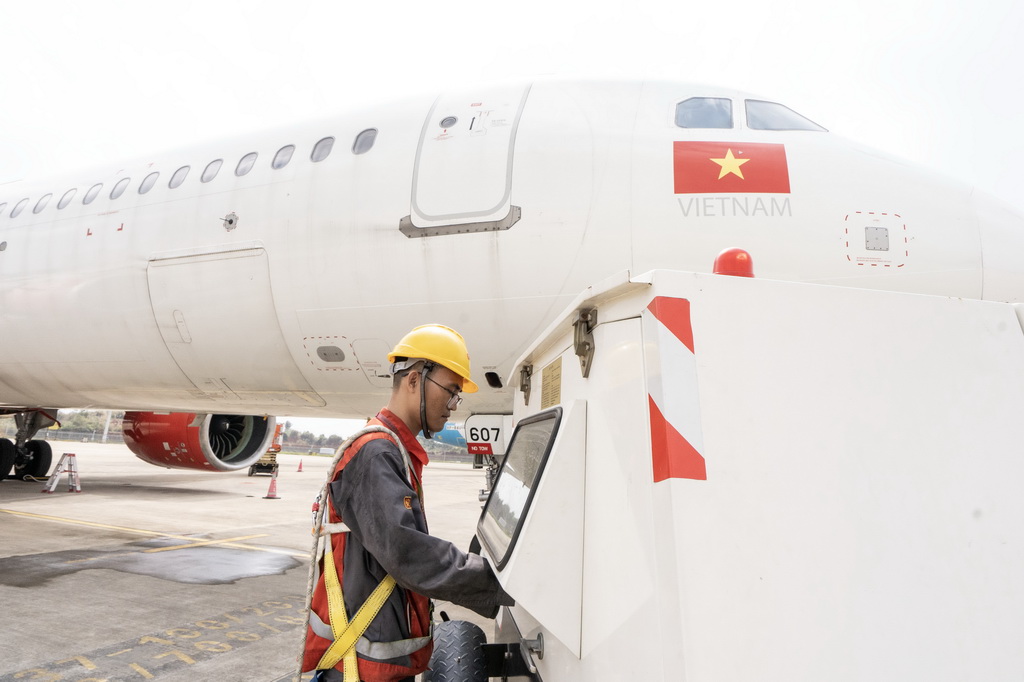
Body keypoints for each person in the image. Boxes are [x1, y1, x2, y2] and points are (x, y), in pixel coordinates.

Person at [302, 324, 514, 682]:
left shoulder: (392, 451)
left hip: (372, 663)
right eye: (451, 391)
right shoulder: (375, 454)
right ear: (414, 380)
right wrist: (499, 583)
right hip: (358, 669)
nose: (453, 406)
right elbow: (409, 554)